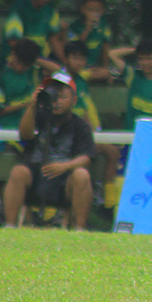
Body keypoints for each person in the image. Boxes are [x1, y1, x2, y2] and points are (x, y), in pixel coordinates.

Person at [1, 71, 95, 230]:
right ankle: (10, 226)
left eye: (62, 97)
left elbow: (87, 157)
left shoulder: (80, 126)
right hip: (36, 176)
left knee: (82, 175)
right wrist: (32, 106)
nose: (57, 102)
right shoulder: (39, 117)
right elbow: (25, 134)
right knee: (18, 171)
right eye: (53, 96)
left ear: (74, 100)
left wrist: (64, 166)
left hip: (64, 180)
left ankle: (80, 229)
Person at [57, 40, 121, 209]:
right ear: (66, 58)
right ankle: (57, 206)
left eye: (82, 59)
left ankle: (109, 204)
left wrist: (92, 130)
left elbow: (84, 110)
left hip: (81, 134)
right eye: (74, 58)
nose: (78, 62)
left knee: (113, 152)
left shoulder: (81, 80)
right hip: (64, 135)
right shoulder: (59, 79)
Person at [108, 38, 152, 130]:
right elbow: (112, 54)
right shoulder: (132, 76)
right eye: (141, 59)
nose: (144, 63)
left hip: (151, 137)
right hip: (130, 136)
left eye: (149, 58)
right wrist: (137, 50)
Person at [1, 0, 64, 65]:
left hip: (39, 63)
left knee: (64, 77)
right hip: (15, 62)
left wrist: (66, 62)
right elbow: (13, 42)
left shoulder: (51, 11)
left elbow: (54, 40)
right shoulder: (18, 9)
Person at [0, 38, 41, 130]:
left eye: (25, 66)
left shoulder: (33, 72)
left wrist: (35, 60)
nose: (20, 68)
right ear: (13, 54)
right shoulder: (2, 77)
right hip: (4, 128)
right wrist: (27, 104)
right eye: (18, 63)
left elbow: (58, 70)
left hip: (27, 128)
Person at [66, 0, 113, 82]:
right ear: (83, 10)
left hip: (93, 68)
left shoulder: (104, 26)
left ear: (102, 11)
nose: (94, 13)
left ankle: (82, 77)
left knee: (105, 72)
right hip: (77, 67)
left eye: (97, 10)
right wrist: (87, 30)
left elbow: (105, 48)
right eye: (90, 10)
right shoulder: (75, 27)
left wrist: (105, 67)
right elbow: (74, 48)